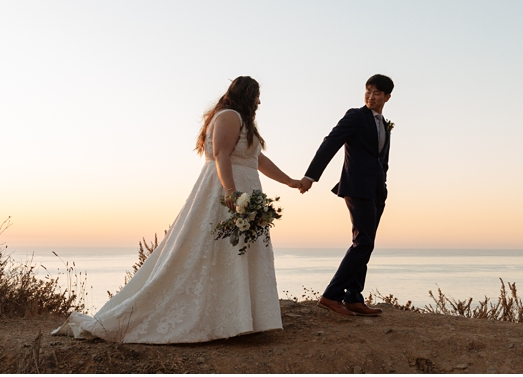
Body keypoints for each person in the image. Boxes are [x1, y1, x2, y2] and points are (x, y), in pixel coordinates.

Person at [53, 76, 303, 343]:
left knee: (237, 250)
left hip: (247, 189)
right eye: (256, 95)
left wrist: (290, 181)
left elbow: (258, 159)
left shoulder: (242, 121)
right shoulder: (229, 116)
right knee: (216, 248)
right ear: (246, 94)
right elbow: (221, 154)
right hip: (226, 191)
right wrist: (231, 191)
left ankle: (241, 318)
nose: (259, 101)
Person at [297, 74, 393, 317]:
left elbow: (382, 160)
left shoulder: (384, 125)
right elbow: (331, 143)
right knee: (363, 241)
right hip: (356, 186)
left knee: (366, 242)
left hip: (376, 190)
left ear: (387, 97)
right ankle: (331, 295)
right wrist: (310, 176)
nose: (371, 96)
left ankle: (353, 297)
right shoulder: (355, 116)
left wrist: (383, 185)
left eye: (377, 93)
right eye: (368, 91)